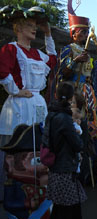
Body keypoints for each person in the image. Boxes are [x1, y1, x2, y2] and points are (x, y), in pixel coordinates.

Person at [0, 5, 57, 202]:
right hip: (19, 106)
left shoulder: (38, 54)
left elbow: (53, 60)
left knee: (38, 145)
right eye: (29, 25)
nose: (34, 29)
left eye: (35, 25)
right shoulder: (10, 49)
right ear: (18, 28)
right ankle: (13, 193)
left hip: (38, 104)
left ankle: (38, 191)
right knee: (17, 147)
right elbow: (3, 71)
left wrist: (48, 34)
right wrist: (15, 91)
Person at [43, 82, 86, 219]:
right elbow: (77, 144)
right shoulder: (65, 118)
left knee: (59, 207)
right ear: (69, 99)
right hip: (66, 166)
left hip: (54, 165)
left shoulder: (51, 115)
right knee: (70, 208)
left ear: (55, 95)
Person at [58, 0, 97, 139]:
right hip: (74, 88)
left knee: (89, 119)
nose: (86, 35)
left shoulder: (87, 53)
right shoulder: (68, 49)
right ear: (74, 33)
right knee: (74, 117)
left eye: (87, 32)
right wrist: (75, 61)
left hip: (87, 89)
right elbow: (64, 71)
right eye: (83, 32)